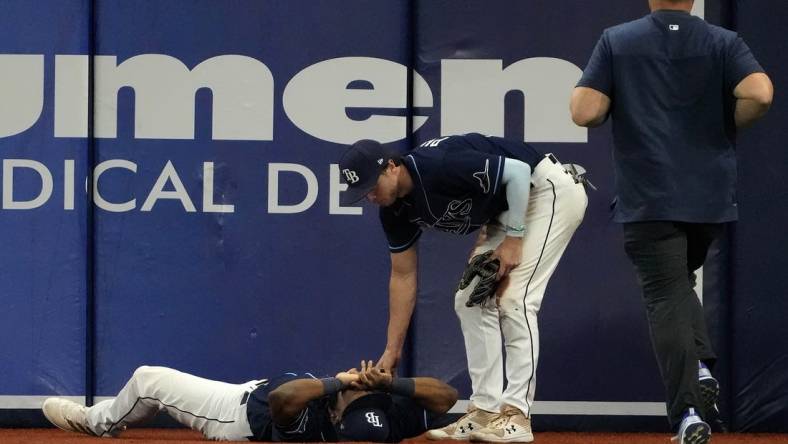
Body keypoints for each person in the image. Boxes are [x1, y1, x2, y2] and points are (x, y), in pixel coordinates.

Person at [570, 0, 773, 443]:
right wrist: (724, 126)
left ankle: (686, 412)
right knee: (678, 283)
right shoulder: (724, 41)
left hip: (650, 195)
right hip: (710, 196)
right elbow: (759, 94)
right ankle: (698, 363)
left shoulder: (618, 40)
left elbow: (585, 112)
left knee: (665, 295)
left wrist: (617, 97)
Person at [338, 133, 589, 442]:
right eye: (363, 193)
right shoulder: (394, 210)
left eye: (371, 186)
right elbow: (402, 276)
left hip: (548, 191)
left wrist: (513, 239)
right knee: (469, 299)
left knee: (514, 299)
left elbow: (518, 173)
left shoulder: (437, 165)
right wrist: (392, 350)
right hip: (508, 212)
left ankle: (516, 415)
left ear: (390, 167)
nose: (370, 196)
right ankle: (485, 410)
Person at [42, 360, 458, 442]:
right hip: (246, 391)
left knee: (147, 380)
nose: (362, 384)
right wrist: (391, 385)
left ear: (341, 410)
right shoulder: (388, 414)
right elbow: (448, 397)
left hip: (231, 415)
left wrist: (339, 382)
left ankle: (96, 422)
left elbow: (283, 397)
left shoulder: (314, 421)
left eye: (359, 391)